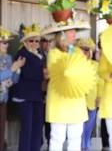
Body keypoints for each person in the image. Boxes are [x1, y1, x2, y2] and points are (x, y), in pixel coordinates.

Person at [42, 21, 93, 151]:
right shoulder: (54, 53)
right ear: (62, 35)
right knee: (57, 138)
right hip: (59, 102)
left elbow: (83, 71)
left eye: (74, 31)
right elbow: (64, 71)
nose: (74, 34)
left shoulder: (77, 51)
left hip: (76, 101)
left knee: (75, 139)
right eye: (71, 31)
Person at [13, 24, 45, 151]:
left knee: (37, 126)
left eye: (37, 41)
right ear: (25, 42)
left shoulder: (40, 54)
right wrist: (43, 74)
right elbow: (27, 74)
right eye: (31, 40)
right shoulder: (21, 53)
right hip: (25, 95)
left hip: (37, 95)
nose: (34, 43)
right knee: (27, 127)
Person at [0, 26, 25, 151]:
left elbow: (13, 80)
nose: (7, 45)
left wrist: (18, 68)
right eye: (4, 42)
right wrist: (12, 69)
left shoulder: (8, 58)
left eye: (7, 43)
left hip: (3, 99)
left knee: (1, 131)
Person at [76, 38, 103, 150]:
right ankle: (79, 145)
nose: (86, 52)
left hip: (92, 100)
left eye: (88, 50)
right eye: (83, 49)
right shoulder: (74, 64)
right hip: (78, 100)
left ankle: (86, 145)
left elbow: (100, 82)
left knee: (89, 126)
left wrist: (99, 96)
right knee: (79, 126)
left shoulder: (96, 65)